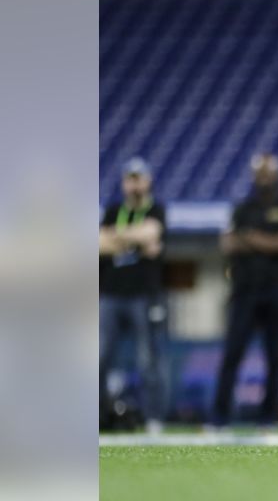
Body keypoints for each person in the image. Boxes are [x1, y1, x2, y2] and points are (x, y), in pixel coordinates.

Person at [208, 153, 278, 429]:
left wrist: (251, 239)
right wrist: (266, 242)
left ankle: (268, 417)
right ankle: (219, 416)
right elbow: (227, 244)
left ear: (277, 175)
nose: (264, 178)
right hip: (245, 291)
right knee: (232, 354)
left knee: (275, 358)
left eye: (268, 172)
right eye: (260, 173)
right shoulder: (242, 209)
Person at [99, 157, 168, 434]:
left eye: (139, 178)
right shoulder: (114, 209)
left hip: (144, 295)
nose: (134, 184)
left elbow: (152, 232)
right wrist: (135, 238)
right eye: (130, 178)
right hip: (111, 294)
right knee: (99, 357)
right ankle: (100, 414)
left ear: (148, 181)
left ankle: (154, 418)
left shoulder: (157, 209)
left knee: (148, 358)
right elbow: (98, 244)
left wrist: (115, 238)